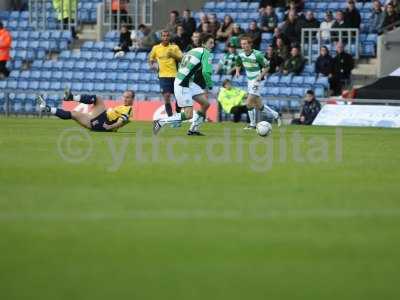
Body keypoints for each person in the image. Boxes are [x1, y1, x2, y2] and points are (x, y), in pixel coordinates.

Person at [153, 33, 215, 136]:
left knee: (205, 104)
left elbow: (184, 64)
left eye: (213, 43)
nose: (213, 45)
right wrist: (210, 84)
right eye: (210, 43)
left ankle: (193, 130)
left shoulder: (193, 50)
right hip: (183, 83)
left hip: (187, 82)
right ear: (204, 44)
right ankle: (160, 121)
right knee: (188, 115)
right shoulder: (206, 53)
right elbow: (206, 72)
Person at [235, 35, 281, 130]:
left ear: (250, 44)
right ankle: (275, 114)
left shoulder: (258, 55)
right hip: (249, 80)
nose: (243, 46)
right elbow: (238, 63)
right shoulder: (241, 54)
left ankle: (252, 124)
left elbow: (267, 66)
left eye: (245, 44)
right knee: (259, 106)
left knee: (248, 103)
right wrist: (237, 71)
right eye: (242, 44)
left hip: (258, 81)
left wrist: (260, 76)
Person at [37, 89, 134, 132]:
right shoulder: (122, 106)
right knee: (73, 114)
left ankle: (71, 97)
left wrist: (110, 127)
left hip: (104, 123)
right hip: (98, 124)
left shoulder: (129, 109)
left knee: (98, 99)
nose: (125, 99)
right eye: (124, 97)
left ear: (132, 99)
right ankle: (47, 108)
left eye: (128, 97)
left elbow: (121, 122)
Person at [149, 30, 183, 117]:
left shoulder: (175, 47)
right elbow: (151, 59)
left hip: (175, 75)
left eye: (167, 36)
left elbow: (182, 59)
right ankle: (170, 116)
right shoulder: (156, 48)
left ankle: (178, 113)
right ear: (161, 37)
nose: (165, 37)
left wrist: (173, 55)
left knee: (179, 97)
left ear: (169, 37)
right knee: (167, 96)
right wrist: (153, 65)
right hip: (163, 76)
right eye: (163, 36)